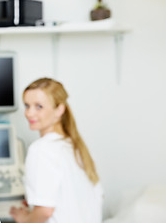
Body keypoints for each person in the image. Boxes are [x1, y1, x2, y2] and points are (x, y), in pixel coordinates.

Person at [10, 78, 103, 223]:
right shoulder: (75, 147)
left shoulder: (41, 149)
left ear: (59, 109)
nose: (29, 113)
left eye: (39, 106)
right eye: (27, 106)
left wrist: (24, 219)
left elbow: (45, 212)